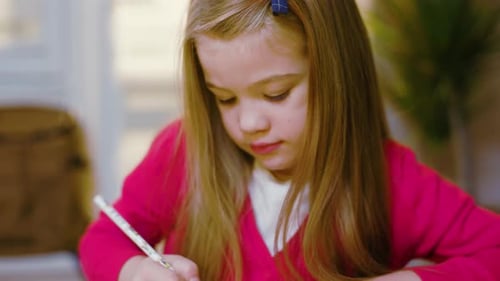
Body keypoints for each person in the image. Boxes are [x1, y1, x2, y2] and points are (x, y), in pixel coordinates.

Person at [78, 0, 500, 280]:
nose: (249, 122)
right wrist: (134, 271)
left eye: (276, 93)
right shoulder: (183, 153)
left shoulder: (390, 178)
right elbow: (102, 239)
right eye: (224, 98)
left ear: (336, 76)